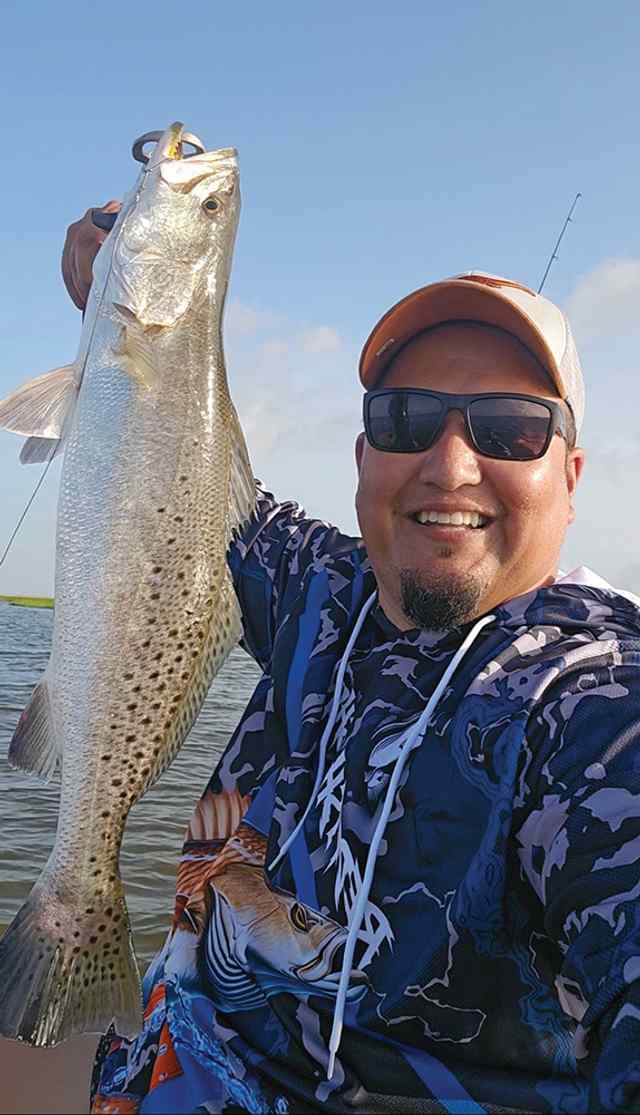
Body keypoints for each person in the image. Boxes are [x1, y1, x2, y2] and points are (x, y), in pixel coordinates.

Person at [62, 208, 640, 1115]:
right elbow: (174, 478)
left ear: (570, 476)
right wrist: (126, 307)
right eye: (407, 419)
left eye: (511, 428)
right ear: (364, 454)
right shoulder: (326, 589)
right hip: (162, 1064)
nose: (450, 465)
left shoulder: (593, 701)